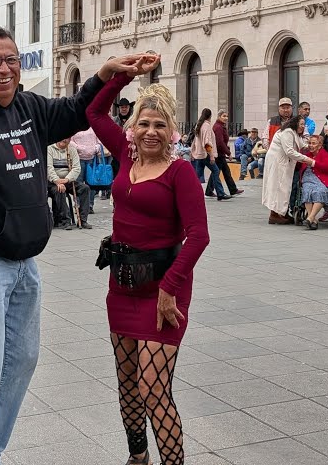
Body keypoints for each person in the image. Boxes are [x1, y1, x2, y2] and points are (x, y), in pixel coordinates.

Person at [0, 26, 147, 465]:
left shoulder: (28, 107)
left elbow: (77, 110)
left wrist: (111, 77)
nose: (4, 69)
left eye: (11, 60)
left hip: (24, 265)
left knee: (20, 362)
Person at [86, 67, 208, 465]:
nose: (150, 131)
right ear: (132, 128)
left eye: (159, 125)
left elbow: (198, 234)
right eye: (143, 123)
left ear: (171, 131)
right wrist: (119, 76)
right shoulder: (124, 155)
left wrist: (169, 289)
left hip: (163, 291)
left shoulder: (180, 172)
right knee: (127, 385)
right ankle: (138, 457)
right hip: (121, 286)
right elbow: (94, 112)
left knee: (154, 387)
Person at [261, 117, 314, 224]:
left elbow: (302, 144)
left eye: (304, 125)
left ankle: (280, 212)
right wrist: (308, 160)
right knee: (278, 187)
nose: (303, 127)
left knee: (282, 187)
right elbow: (289, 151)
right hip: (278, 162)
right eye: (301, 124)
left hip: (282, 162)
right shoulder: (287, 132)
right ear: (295, 124)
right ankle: (274, 214)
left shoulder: (293, 132)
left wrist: (313, 146)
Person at [46, 137, 89, 230]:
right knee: (59, 190)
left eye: (67, 138)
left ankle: (83, 220)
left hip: (67, 180)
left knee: (85, 188)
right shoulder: (49, 149)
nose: (64, 140)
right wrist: (57, 181)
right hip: (52, 182)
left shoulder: (72, 150)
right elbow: (49, 168)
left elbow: (76, 168)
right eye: (62, 137)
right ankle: (65, 221)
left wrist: (67, 179)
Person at [298, 133, 328, 228]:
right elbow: (299, 166)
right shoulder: (306, 155)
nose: (311, 145)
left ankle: (310, 218)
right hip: (308, 178)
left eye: (314, 143)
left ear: (320, 145)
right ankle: (312, 219)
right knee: (307, 190)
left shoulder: (325, 155)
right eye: (309, 143)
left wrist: (314, 163)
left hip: (322, 178)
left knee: (319, 191)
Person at [189, 109, 229, 201]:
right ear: (210, 116)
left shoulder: (199, 125)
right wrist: (211, 155)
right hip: (205, 154)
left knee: (198, 175)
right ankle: (220, 193)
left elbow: (195, 141)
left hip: (199, 154)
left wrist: (192, 151)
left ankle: (190, 192)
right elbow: (207, 143)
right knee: (215, 170)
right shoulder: (206, 126)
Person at [212, 111, 242, 198]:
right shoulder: (218, 127)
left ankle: (232, 189)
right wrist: (228, 153)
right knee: (218, 172)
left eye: (227, 116)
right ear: (219, 116)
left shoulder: (221, 126)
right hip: (219, 153)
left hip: (220, 152)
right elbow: (220, 142)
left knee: (223, 171)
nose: (226, 118)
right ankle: (231, 190)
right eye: (224, 116)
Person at [71, 126, 102, 208]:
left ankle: (90, 204)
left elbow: (99, 140)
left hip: (92, 158)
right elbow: (70, 140)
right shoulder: (74, 125)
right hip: (78, 158)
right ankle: (78, 203)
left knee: (92, 182)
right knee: (78, 182)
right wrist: (79, 148)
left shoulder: (93, 126)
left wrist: (96, 148)